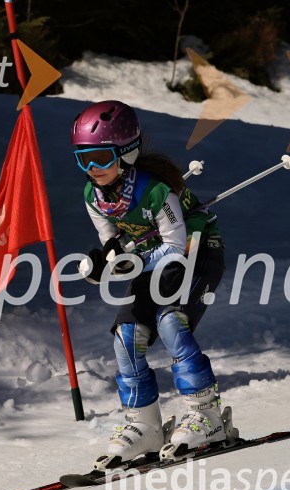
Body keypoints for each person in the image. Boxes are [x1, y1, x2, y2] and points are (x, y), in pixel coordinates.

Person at [71, 100, 239, 469]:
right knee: (126, 335)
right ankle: (144, 425)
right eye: (83, 159)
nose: (91, 169)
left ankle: (207, 417)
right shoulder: (94, 196)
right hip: (153, 264)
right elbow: (112, 239)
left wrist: (132, 262)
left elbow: (176, 245)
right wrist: (105, 263)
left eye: (100, 157)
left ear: (126, 152)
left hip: (197, 253)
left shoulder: (155, 190)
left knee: (170, 321)